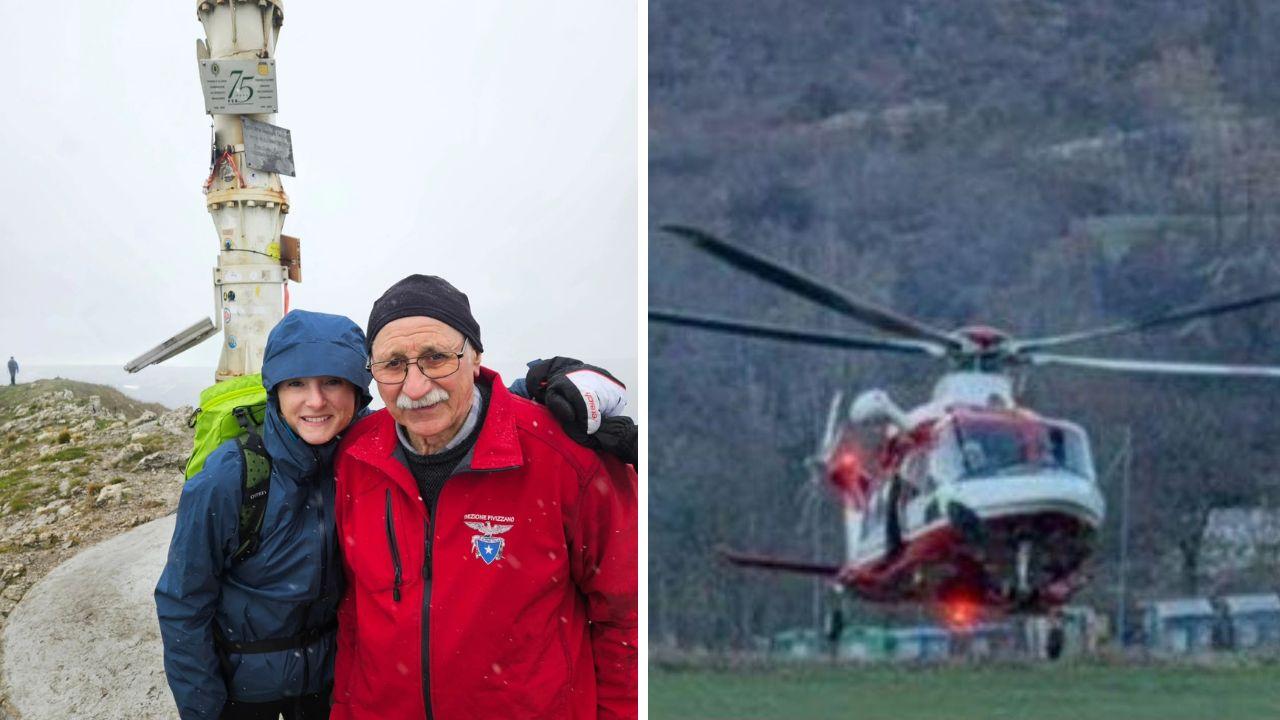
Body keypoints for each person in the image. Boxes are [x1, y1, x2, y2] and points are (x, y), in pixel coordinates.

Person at [330, 274, 638, 720]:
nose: (415, 387)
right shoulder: (356, 458)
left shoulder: (565, 458)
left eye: (436, 358)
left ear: (475, 357)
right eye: (393, 365)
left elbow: (627, 618)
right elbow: (355, 615)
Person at [156, 310, 371, 720]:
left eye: (332, 381)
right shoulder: (230, 477)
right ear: (275, 391)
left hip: (333, 684)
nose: (315, 401)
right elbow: (183, 602)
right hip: (246, 693)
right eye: (296, 383)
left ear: (358, 390)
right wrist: (204, 711)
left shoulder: (369, 465)